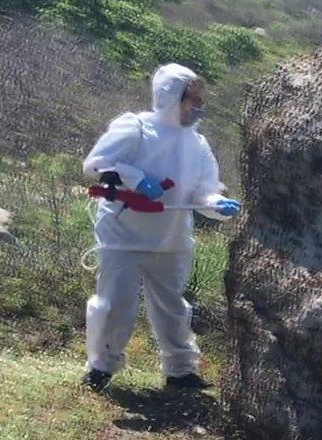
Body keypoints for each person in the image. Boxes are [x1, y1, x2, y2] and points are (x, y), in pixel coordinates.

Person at [80, 63, 241, 392]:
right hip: (122, 237)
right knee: (115, 307)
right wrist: (136, 179)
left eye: (200, 99)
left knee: (173, 309)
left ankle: (181, 371)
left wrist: (215, 203)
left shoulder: (197, 144)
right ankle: (100, 367)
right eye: (193, 98)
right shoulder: (135, 128)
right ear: (173, 96)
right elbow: (94, 166)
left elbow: (203, 189)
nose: (198, 106)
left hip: (171, 241)